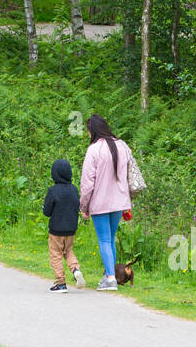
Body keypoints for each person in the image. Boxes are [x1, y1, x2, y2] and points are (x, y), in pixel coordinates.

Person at [79, 114, 135, 291]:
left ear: (92, 131)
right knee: (110, 238)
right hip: (119, 201)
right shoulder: (122, 146)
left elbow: (88, 183)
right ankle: (108, 275)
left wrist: (84, 206)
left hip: (101, 201)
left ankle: (110, 278)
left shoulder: (94, 149)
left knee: (104, 240)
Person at [43, 159, 85, 292]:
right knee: (68, 252)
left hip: (56, 230)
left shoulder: (53, 190)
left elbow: (47, 212)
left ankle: (61, 283)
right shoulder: (74, 189)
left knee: (56, 254)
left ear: (54, 174)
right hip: (71, 229)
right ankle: (75, 269)